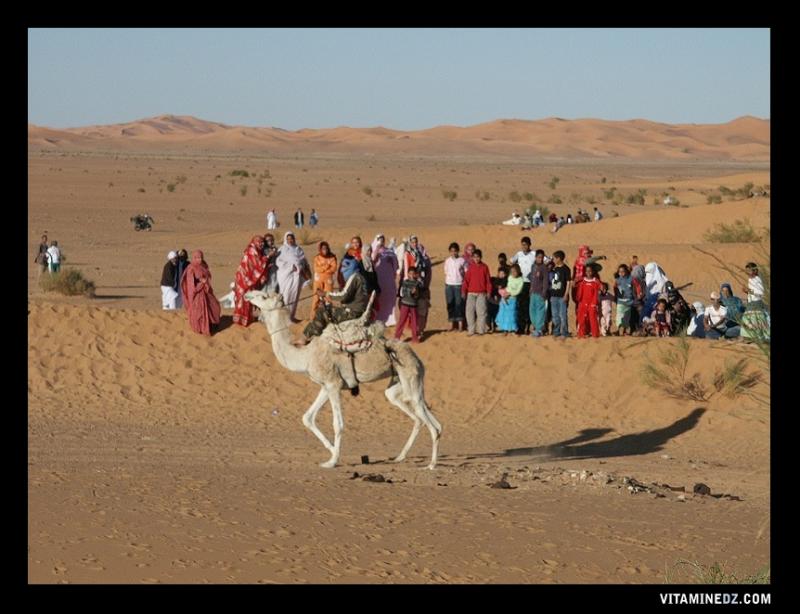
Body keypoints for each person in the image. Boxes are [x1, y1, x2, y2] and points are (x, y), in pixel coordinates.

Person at [298, 256, 369, 345]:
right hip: (357, 309)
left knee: (322, 311)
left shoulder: (354, 277)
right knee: (328, 306)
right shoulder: (361, 277)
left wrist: (325, 294)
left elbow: (343, 296)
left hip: (352, 312)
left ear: (351, 266)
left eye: (344, 266)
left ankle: (305, 338)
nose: (342, 269)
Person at [180, 250, 221, 336]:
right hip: (198, 293)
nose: (200, 260)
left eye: (201, 257)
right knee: (199, 312)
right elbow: (191, 283)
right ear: (194, 258)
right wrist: (200, 281)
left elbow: (208, 274)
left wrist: (205, 281)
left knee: (214, 306)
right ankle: (201, 328)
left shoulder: (204, 265)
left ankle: (212, 324)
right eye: (198, 258)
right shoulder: (191, 268)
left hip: (206, 291)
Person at [233, 236, 271, 327]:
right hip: (244, 280)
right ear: (255, 242)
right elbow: (257, 264)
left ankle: (247, 319)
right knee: (243, 299)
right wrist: (268, 257)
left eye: (262, 242)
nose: (261, 244)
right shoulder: (251, 251)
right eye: (259, 242)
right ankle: (240, 321)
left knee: (249, 299)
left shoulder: (257, 251)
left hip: (249, 280)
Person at [276, 231, 308, 322]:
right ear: (286, 239)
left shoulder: (298, 249)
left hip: (296, 276)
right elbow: (278, 262)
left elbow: (303, 261)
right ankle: (283, 317)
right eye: (288, 239)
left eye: (292, 239)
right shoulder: (282, 249)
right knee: (285, 296)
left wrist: (300, 267)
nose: (290, 240)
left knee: (294, 296)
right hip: (285, 276)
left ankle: (290, 317)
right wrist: (290, 267)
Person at [461, 248, 492, 336]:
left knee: (481, 312)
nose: (476, 259)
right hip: (471, 293)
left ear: (481, 257)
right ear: (472, 258)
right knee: (469, 312)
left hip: (481, 293)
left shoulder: (485, 267)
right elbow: (466, 280)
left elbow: (488, 281)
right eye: (474, 257)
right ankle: (471, 330)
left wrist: (489, 291)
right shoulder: (470, 267)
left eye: (478, 257)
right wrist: (463, 291)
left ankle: (481, 330)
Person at [371, 234, 398, 325]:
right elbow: (371, 262)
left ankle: (389, 320)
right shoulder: (371, 251)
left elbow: (395, 264)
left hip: (388, 279)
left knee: (388, 298)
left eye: (383, 239)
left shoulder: (389, 251)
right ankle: (376, 319)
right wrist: (376, 251)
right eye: (379, 239)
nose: (381, 241)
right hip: (378, 278)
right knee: (379, 298)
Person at [511, 237, 536, 334]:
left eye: (525, 244)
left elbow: (546, 261)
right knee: (520, 305)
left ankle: (528, 326)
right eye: (522, 245)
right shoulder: (519, 254)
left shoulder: (534, 254)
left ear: (529, 245)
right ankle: (520, 328)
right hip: (520, 283)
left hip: (531, 283)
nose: (524, 247)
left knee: (529, 306)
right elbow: (511, 262)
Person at [310, 241, 338, 319]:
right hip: (318, 281)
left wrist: (324, 269)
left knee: (328, 298)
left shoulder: (332, 257)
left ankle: (328, 317)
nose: (324, 250)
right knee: (316, 298)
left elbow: (334, 268)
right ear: (320, 249)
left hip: (328, 280)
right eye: (323, 248)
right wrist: (326, 266)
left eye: (326, 248)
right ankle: (313, 317)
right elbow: (316, 269)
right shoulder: (317, 258)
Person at [395, 266, 422, 343]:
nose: (412, 275)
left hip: (414, 304)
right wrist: (411, 292)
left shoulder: (418, 283)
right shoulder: (405, 282)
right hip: (405, 304)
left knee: (414, 322)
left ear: (416, 274)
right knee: (402, 320)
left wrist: (416, 292)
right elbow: (404, 292)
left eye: (413, 274)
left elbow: (419, 294)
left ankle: (415, 337)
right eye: (410, 274)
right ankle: (397, 336)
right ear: (408, 274)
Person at [444, 242, 467, 331]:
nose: (453, 253)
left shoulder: (462, 260)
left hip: (459, 284)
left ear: (458, 251)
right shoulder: (447, 261)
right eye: (452, 251)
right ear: (450, 251)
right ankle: (452, 324)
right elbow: (446, 271)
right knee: (450, 304)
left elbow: (466, 271)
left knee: (459, 304)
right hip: (449, 284)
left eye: (455, 251)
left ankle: (460, 324)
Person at [549, 250, 571, 340]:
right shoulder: (554, 268)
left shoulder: (566, 269)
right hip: (554, 295)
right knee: (555, 316)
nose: (553, 259)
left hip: (562, 296)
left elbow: (568, 282)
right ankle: (556, 331)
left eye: (554, 258)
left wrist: (566, 294)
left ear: (558, 258)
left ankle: (565, 332)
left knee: (563, 315)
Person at [496, 264, 523, 335]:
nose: (513, 273)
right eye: (512, 271)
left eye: (515, 271)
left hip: (512, 298)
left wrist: (510, 293)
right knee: (504, 313)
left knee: (512, 314)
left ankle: (513, 330)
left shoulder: (520, 280)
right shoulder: (510, 277)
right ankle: (505, 330)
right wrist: (504, 293)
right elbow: (506, 285)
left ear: (518, 271)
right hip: (505, 296)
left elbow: (518, 291)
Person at [576, 264, 602, 338]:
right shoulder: (582, 280)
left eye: (590, 271)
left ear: (593, 272)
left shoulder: (595, 281)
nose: (588, 272)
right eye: (587, 271)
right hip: (583, 302)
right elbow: (577, 289)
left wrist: (595, 303)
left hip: (592, 303)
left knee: (593, 318)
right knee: (582, 319)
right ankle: (581, 333)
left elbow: (600, 290)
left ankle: (595, 334)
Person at [529, 249, 550, 337]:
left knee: (540, 311)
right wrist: (530, 289)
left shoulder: (544, 268)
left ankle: (539, 329)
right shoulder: (533, 266)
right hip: (533, 292)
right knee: (532, 311)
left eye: (542, 257)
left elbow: (545, 281)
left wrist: (544, 292)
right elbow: (532, 279)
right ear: (535, 257)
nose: (540, 259)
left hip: (540, 293)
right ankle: (535, 327)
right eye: (538, 257)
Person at [613, 264, 634, 336]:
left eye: (623, 271)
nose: (621, 273)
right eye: (620, 272)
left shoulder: (631, 279)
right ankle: (620, 328)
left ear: (626, 271)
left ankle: (625, 330)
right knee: (619, 315)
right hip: (620, 301)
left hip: (629, 301)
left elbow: (634, 289)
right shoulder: (617, 280)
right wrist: (616, 297)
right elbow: (615, 289)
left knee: (627, 317)